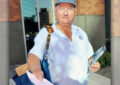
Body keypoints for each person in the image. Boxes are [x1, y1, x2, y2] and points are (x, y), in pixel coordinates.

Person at [27, 0, 100, 85]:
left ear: (74, 11)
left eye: (69, 9)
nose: (65, 13)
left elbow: (89, 58)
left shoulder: (81, 33)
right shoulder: (46, 33)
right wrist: (36, 70)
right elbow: (34, 55)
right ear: (56, 11)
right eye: (61, 8)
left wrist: (94, 65)